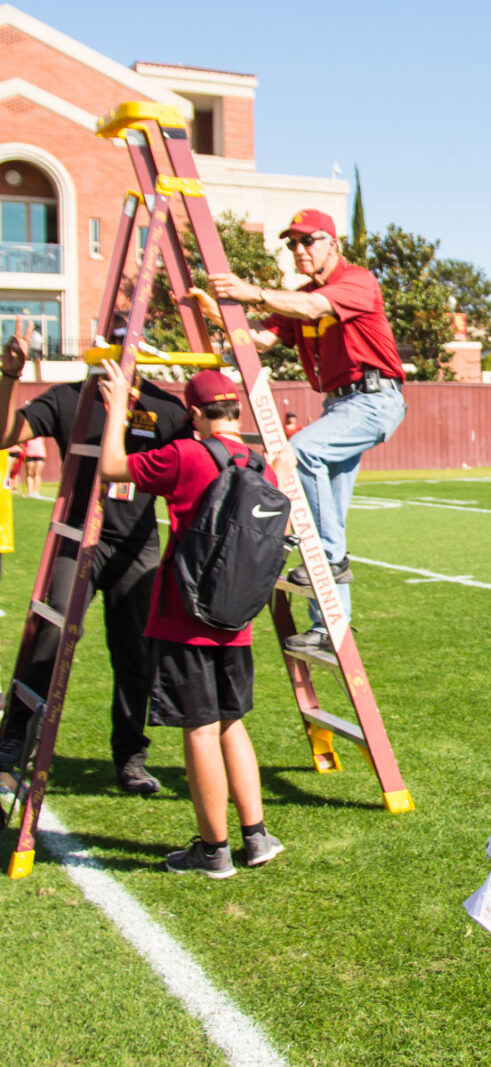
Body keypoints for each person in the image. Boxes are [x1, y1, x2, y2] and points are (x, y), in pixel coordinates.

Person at [99, 364, 291, 877]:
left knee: (199, 730)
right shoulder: (261, 464)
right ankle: (256, 836)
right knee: (233, 725)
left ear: (194, 414)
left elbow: (112, 467)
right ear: (235, 411)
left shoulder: (184, 453)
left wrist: (118, 403)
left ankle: (213, 850)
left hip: (184, 614)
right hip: (237, 616)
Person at [197, 208, 407, 655]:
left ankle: (329, 561)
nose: (299, 250)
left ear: (333, 243)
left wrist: (249, 292)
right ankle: (331, 630)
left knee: (300, 454)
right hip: (340, 404)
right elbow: (265, 339)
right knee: (326, 511)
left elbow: (314, 306)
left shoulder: (356, 281)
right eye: (292, 243)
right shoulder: (301, 296)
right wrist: (217, 314)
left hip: (372, 399)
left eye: (307, 240)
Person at [0, 322, 191, 793]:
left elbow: (200, 451)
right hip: (79, 539)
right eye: (114, 345)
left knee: (135, 656)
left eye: (131, 347)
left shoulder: (162, 406)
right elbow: (5, 435)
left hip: (137, 545)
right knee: (50, 633)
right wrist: (7, 376)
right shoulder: (68, 397)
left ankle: (130, 757)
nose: (121, 356)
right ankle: (11, 744)